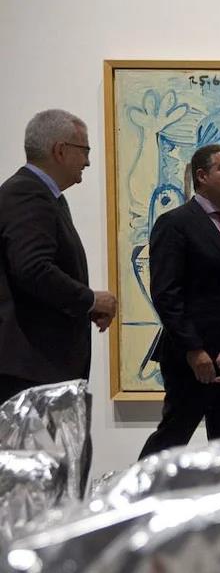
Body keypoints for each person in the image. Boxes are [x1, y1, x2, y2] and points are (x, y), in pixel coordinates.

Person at [137, 144, 220, 458]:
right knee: (172, 438)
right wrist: (193, 349)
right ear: (201, 176)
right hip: (193, 358)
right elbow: (166, 293)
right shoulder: (175, 223)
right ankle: (139, 488)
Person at [0, 109, 117, 403]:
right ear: (61, 150)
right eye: (85, 150)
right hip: (31, 370)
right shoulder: (28, 193)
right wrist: (89, 299)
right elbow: (33, 269)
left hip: (38, 368)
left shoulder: (41, 195)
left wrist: (84, 305)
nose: (88, 161)